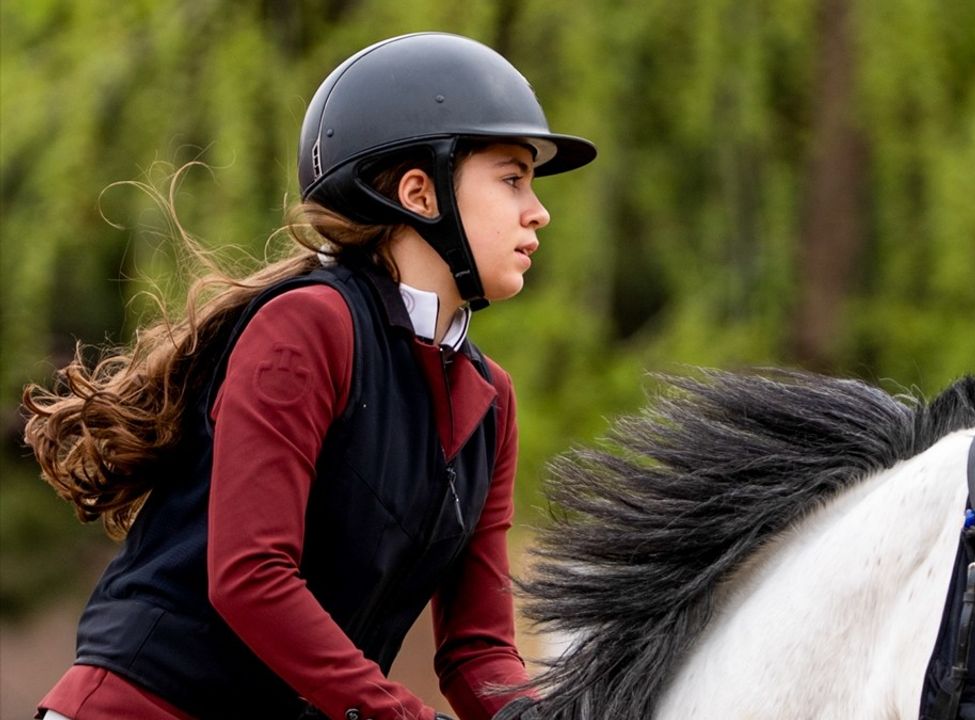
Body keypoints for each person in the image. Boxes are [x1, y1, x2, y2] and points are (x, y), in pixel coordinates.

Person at [21, 32, 594, 720]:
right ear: (421, 193)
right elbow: (250, 578)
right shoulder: (307, 327)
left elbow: (479, 651)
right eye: (512, 179)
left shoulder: (491, 400)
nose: (538, 210)